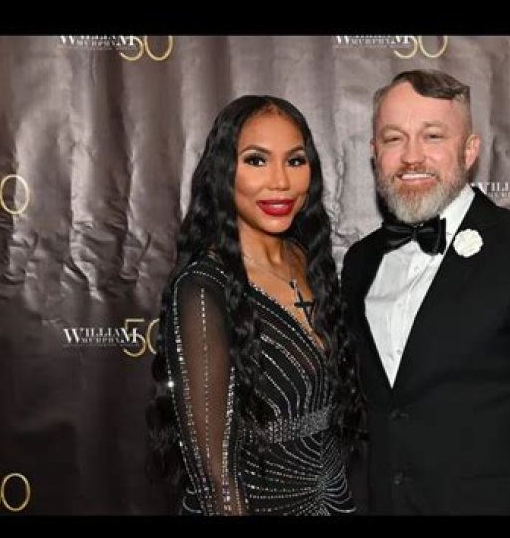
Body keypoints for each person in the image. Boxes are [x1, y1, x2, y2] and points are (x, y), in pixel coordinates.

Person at [341, 69, 510, 514]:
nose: (412, 156)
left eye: (432, 136)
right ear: (374, 152)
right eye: (393, 138)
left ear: (469, 151)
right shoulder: (361, 261)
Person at [148, 95, 363, 515]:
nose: (280, 181)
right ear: (223, 172)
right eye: (257, 161)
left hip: (332, 501)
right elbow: (215, 477)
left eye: (295, 160)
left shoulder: (309, 261)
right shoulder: (202, 289)